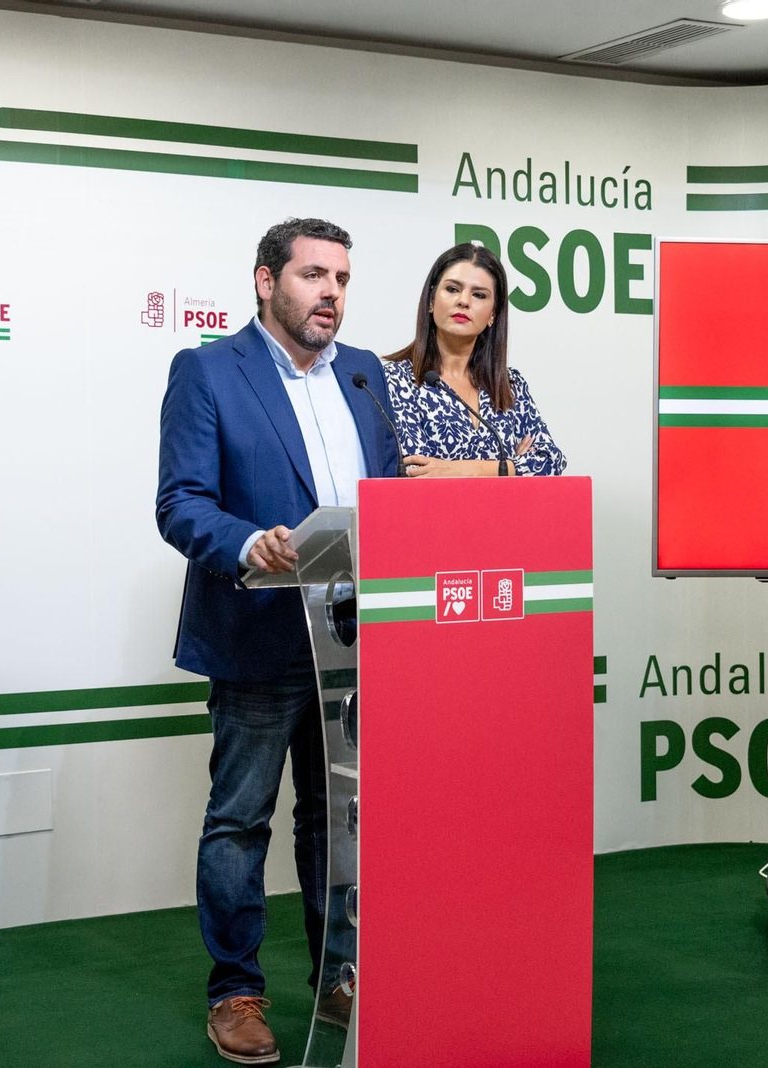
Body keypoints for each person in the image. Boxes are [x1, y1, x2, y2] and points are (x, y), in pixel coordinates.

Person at [155, 217, 401, 1065]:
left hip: (353, 637)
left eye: (341, 277)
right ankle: (236, 992)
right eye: (312, 276)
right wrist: (247, 544)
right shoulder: (208, 373)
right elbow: (181, 503)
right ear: (267, 282)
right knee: (240, 822)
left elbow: (393, 497)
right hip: (259, 634)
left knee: (339, 826)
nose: (330, 292)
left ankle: (341, 973)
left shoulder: (366, 375)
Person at [383, 242, 567, 476]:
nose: (463, 301)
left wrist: (459, 469)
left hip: (508, 514)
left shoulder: (511, 385)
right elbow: (417, 472)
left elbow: (550, 462)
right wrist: (512, 467)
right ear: (430, 301)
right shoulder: (396, 379)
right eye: (452, 289)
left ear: (493, 314)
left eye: (479, 295)